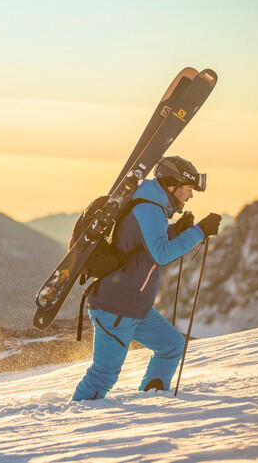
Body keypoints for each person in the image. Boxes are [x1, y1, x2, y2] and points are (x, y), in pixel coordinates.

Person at [72, 156, 221, 401]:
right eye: (188, 189)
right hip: (117, 308)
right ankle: (74, 423)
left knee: (172, 346)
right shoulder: (149, 209)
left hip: (134, 307)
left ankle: (151, 403)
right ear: (172, 184)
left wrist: (176, 231)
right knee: (103, 375)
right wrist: (199, 231)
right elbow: (161, 254)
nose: (190, 196)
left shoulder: (153, 207)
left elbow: (143, 249)